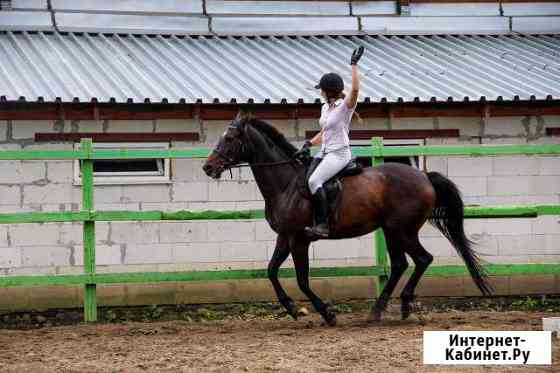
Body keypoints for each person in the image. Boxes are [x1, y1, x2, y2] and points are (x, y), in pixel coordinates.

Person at [295, 46, 364, 239]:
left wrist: (353, 65)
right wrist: (309, 143)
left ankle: (323, 225)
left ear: (329, 92)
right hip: (324, 151)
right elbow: (325, 132)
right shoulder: (325, 107)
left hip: (339, 154)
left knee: (314, 180)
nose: (320, 93)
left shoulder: (345, 107)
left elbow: (356, 89)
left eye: (322, 91)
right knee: (304, 175)